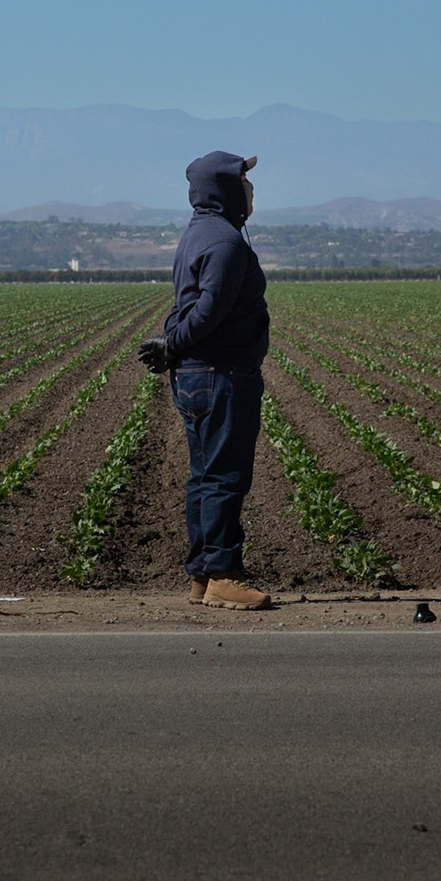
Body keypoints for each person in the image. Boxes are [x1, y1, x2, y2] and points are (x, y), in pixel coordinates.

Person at [134, 152, 272, 609]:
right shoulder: (226, 244)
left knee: (204, 476)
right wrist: (174, 345)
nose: (251, 190)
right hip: (221, 374)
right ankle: (222, 574)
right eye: (244, 182)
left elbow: (191, 305)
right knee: (225, 478)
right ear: (226, 189)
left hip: (198, 374)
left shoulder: (199, 235)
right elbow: (208, 310)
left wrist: (173, 347)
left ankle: (200, 574)